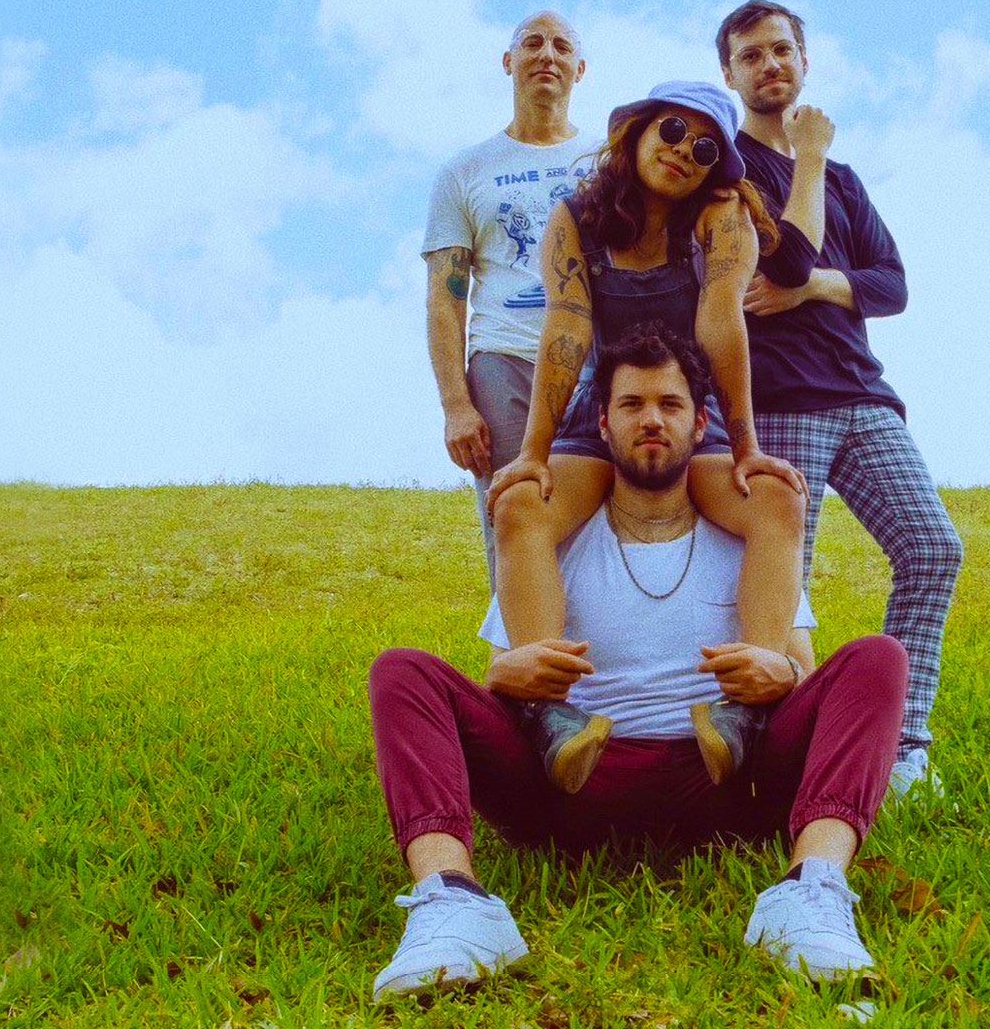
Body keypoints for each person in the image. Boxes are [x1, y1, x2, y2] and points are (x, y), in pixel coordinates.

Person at [367, 325, 908, 1001]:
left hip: (726, 784)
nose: (651, 419)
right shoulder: (555, 540)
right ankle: (451, 901)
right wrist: (502, 677)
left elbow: (802, 671)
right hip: (572, 786)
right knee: (403, 673)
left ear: (700, 422)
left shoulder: (746, 538)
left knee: (878, 659)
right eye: (630, 405)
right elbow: (506, 679)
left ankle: (813, 890)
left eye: (670, 404)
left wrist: (785, 676)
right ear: (602, 422)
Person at [485, 82, 810, 792]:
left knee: (776, 501)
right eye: (670, 131)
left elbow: (723, 321)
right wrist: (534, 452)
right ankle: (550, 716)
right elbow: (566, 327)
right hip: (602, 416)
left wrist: (747, 444)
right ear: (633, 133)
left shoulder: (720, 219)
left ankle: (744, 711)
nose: (682, 152)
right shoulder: (576, 220)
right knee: (518, 508)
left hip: (695, 415)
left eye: (704, 147)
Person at [716, 0, 965, 798]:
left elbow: (890, 285)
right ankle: (775, 752)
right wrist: (811, 156)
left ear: (805, 60)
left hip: (861, 397)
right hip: (778, 402)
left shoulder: (847, 182)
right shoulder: (727, 173)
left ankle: (902, 746)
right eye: (751, 56)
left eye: (782, 50)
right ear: (729, 74)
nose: (770, 66)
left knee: (933, 548)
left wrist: (822, 288)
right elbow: (783, 263)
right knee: (783, 591)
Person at [422, 11, 602, 578]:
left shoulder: (607, 162)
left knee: (605, 523)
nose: (546, 54)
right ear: (509, 63)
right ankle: (516, 658)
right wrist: (456, 404)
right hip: (505, 360)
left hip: (598, 362)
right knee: (512, 517)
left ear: (580, 68)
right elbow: (445, 296)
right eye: (531, 43)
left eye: (560, 46)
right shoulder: (464, 171)